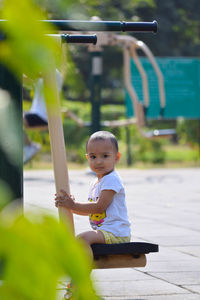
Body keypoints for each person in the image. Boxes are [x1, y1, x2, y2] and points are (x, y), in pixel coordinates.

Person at [55, 130, 131, 259]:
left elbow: (99, 207)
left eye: (105, 156)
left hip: (116, 233)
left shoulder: (111, 179)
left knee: (82, 239)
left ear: (116, 157)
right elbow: (91, 212)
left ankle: (81, 277)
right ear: (87, 158)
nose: (99, 161)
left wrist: (73, 204)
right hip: (106, 231)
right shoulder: (96, 182)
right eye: (93, 157)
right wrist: (70, 207)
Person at [23, 69, 62, 164]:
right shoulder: (40, 72)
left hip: (44, 116)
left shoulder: (52, 72)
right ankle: (28, 146)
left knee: (15, 116)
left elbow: (28, 77)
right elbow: (26, 79)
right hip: (36, 114)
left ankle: (29, 146)